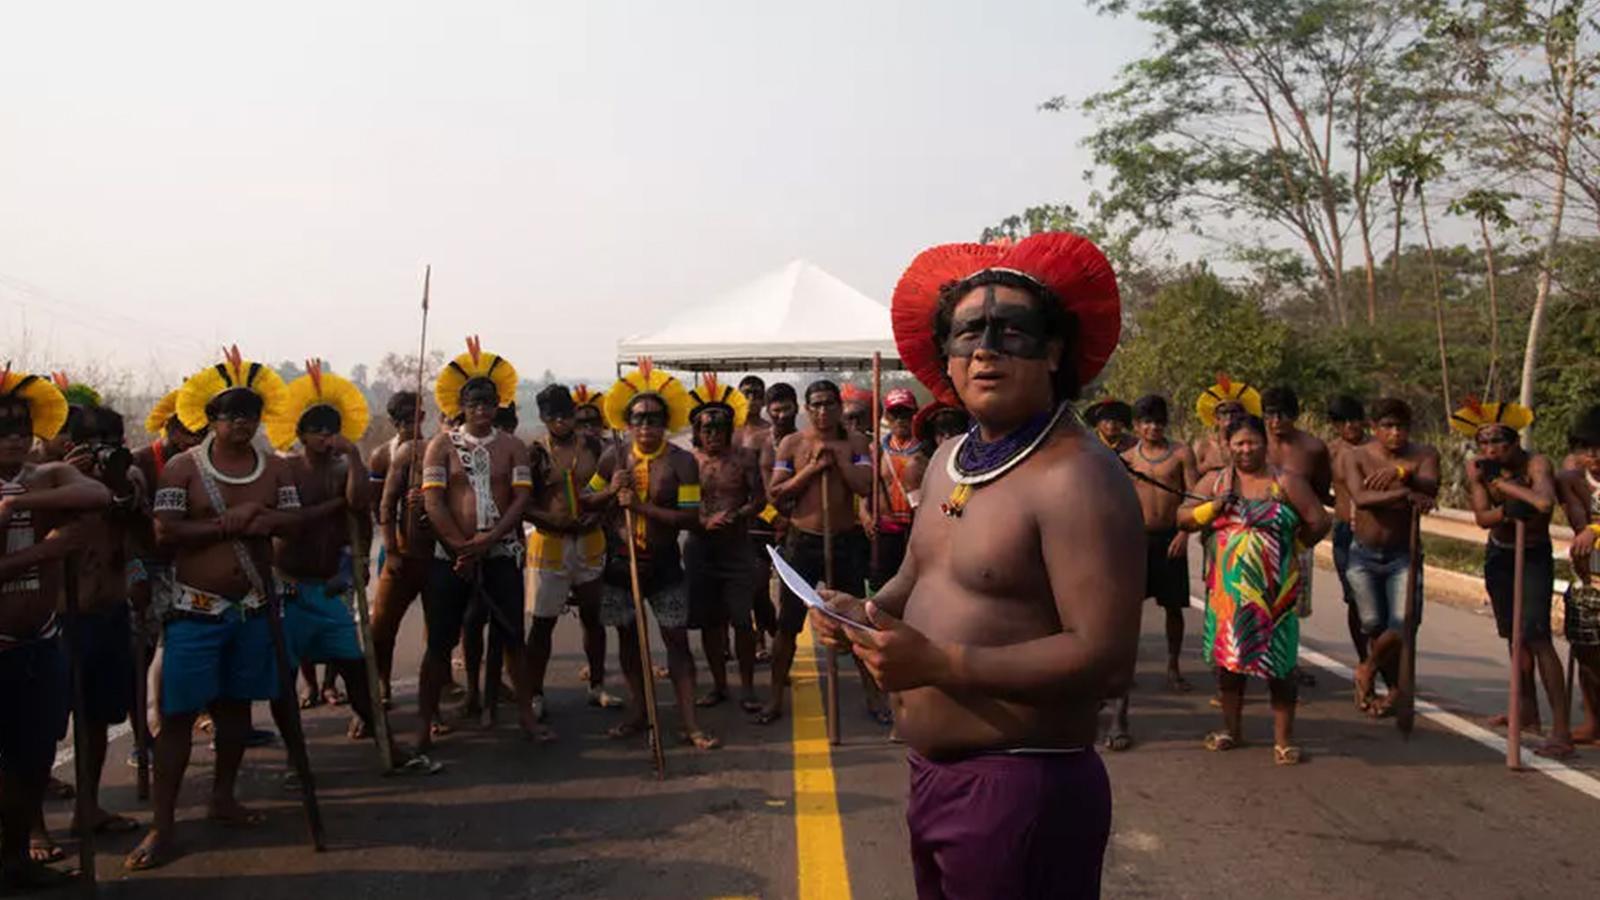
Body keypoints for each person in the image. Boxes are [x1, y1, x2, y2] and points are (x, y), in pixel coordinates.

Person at [810, 233, 1140, 899]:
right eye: (968, 333)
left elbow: (1105, 660)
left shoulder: (1076, 475)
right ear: (948, 360)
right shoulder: (948, 457)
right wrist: (863, 615)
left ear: (1053, 352)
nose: (986, 347)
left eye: (1012, 330)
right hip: (934, 777)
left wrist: (939, 665)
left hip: (1023, 788)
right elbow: (918, 579)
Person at [126, 348, 304, 871]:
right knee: (178, 716)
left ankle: (222, 797)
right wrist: (233, 523)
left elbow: (292, 523)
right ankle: (163, 824)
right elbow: (165, 532)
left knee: (235, 713)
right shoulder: (184, 467)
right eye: (232, 414)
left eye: (251, 413)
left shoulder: (276, 468)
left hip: (252, 607)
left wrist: (260, 517)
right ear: (211, 419)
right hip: (196, 611)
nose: (243, 422)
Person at [265, 363, 428, 769]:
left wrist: (353, 455)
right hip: (289, 587)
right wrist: (329, 507)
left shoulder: (343, 466)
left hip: (329, 588)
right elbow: (289, 523)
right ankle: (295, 757)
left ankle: (385, 742)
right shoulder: (283, 469)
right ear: (300, 433)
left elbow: (358, 503)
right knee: (281, 678)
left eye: (330, 430)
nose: (324, 438)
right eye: (317, 431)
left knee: (356, 668)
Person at [1, 370, 110, 891]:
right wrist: (52, 547)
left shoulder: (43, 478)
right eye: (3, 431)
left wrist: (21, 505)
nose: (15, 438)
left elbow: (95, 497)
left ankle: (16, 857)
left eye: (22, 429)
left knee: (36, 754)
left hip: (39, 642)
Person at [1180, 414, 1329, 765]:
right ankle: (1231, 729)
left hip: (1276, 592)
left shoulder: (1286, 482)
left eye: (1252, 442)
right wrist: (1212, 509)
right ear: (1228, 447)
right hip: (1228, 592)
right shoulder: (1215, 482)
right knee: (1230, 665)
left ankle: (1283, 740)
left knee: (1280, 666)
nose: (1246, 449)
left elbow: (1319, 520)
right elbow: (1181, 517)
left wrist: (1294, 548)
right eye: (1239, 444)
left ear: (1265, 442)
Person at [416, 338, 540, 750]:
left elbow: (520, 498)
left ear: (498, 403)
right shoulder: (441, 445)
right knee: (439, 643)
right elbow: (433, 500)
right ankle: (424, 725)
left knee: (513, 638)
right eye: (473, 402)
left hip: (502, 552)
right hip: (450, 558)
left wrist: (491, 538)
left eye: (488, 401)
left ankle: (526, 717)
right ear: (461, 405)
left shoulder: (513, 446)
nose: (481, 409)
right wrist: (460, 546)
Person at [591, 362, 720, 749]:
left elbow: (692, 519)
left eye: (654, 418)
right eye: (638, 418)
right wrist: (610, 491)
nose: (646, 425)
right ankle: (639, 710)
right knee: (628, 640)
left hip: (664, 564)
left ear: (666, 422)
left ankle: (690, 722)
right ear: (627, 422)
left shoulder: (682, 463)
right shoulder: (612, 458)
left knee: (676, 641)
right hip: (620, 562)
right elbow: (585, 503)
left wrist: (642, 508)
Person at [1458, 400, 1573, 757]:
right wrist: (1506, 503)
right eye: (1485, 443)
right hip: (1501, 555)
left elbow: (1542, 505)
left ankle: (1562, 731)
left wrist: (1502, 487)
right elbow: (1482, 517)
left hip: (1534, 555)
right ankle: (1526, 713)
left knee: (1537, 637)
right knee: (1514, 637)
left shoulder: (1536, 464)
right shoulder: (1477, 468)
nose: (1491, 450)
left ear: (1516, 442)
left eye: (1499, 442)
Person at [758, 379, 875, 727]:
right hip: (802, 542)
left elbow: (865, 485)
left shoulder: (856, 442)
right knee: (787, 625)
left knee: (856, 621)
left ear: (839, 406)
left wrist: (839, 462)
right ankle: (775, 697)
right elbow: (776, 493)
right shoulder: (794, 444)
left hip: (844, 541)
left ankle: (874, 694)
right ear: (807, 410)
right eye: (816, 405)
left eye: (829, 404)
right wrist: (812, 469)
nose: (823, 411)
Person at [52, 401, 145, 840]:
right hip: (56, 619)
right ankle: (33, 829)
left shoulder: (129, 479)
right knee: (41, 727)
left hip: (109, 611)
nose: (105, 452)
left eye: (113, 443)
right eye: (94, 445)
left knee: (97, 720)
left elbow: (148, 539)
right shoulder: (45, 479)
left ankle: (87, 808)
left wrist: (118, 491)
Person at [522, 384, 621, 725]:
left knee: (594, 617)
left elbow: (611, 490)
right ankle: (534, 693)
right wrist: (550, 519)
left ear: (575, 413)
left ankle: (597, 686)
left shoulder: (595, 446)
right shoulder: (534, 452)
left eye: (565, 415)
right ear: (543, 418)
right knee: (542, 624)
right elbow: (522, 504)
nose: (560, 422)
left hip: (590, 540)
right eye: (552, 417)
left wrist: (600, 514)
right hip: (549, 543)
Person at [1344, 399, 1439, 718]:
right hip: (1364, 554)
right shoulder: (1356, 456)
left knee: (1403, 624)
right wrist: (1404, 492)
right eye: (1388, 426)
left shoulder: (1424, 454)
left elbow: (1430, 484)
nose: (1395, 433)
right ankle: (1394, 688)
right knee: (1373, 625)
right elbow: (1363, 498)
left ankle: (1368, 669)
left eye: (1401, 427)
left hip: (1403, 554)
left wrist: (1400, 472)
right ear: (1375, 429)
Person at [684, 376, 767, 712]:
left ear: (730, 428)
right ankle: (719, 685)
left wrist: (737, 514)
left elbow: (759, 499)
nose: (713, 434)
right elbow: (682, 505)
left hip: (737, 548)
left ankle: (747, 687)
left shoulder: (745, 459)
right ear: (697, 431)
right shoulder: (689, 462)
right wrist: (704, 522)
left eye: (720, 428)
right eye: (707, 428)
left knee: (742, 619)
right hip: (700, 548)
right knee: (709, 621)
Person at [1122, 394, 1200, 692]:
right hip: (1138, 540)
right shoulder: (1128, 459)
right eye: (1146, 422)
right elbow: (1120, 503)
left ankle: (1173, 666)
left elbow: (1192, 496)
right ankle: (1126, 669)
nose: (1153, 428)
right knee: (1130, 610)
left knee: (1173, 607)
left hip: (1171, 537)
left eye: (1157, 422)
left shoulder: (1181, 454)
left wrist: (1184, 533)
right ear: (1137, 426)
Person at [370, 391, 433, 707]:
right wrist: (392, 547)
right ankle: (382, 683)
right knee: (382, 625)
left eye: (416, 417)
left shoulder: (437, 448)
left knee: (439, 624)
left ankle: (438, 685)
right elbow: (380, 504)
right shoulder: (382, 455)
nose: (411, 424)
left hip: (434, 552)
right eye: (403, 420)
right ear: (394, 422)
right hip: (397, 549)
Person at [1262, 386, 1332, 626]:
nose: (1276, 421)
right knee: (1254, 595)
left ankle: (1287, 655)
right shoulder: (1255, 443)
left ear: (1295, 415)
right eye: (1270, 415)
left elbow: (1321, 491)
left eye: (1283, 415)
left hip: (1297, 532)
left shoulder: (1313, 448)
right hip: (1257, 530)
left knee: (1292, 600)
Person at [1556, 405, 1600, 743]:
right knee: (1586, 652)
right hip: (1589, 580)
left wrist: (1596, 529)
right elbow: (1576, 522)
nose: (1594, 456)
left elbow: (1588, 528)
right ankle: (1593, 719)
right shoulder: (1571, 481)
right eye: (1587, 449)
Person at [751, 383, 800, 646]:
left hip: (795, 523)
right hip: (761, 522)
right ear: (768, 411)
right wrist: (773, 517)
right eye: (776, 410)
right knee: (757, 587)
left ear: (797, 408)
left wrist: (790, 521)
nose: (782, 415)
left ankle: (782, 643)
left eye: (787, 409)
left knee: (789, 591)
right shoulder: (757, 442)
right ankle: (765, 633)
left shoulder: (804, 441)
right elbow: (751, 488)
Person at [1326, 394, 1371, 662]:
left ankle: (1379, 660)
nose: (1350, 426)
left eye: (1355, 419)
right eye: (1343, 421)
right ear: (1334, 425)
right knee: (1355, 599)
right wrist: (1341, 505)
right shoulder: (1330, 451)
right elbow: (1318, 488)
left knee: (1376, 604)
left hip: (1374, 531)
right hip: (1344, 530)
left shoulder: (1378, 449)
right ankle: (1363, 660)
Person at [874, 388, 927, 592]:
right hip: (886, 529)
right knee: (884, 584)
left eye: (905, 414)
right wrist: (867, 515)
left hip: (916, 529)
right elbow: (869, 488)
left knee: (915, 583)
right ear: (886, 416)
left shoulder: (926, 451)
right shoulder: (877, 450)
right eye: (895, 414)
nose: (900, 420)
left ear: (915, 414)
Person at [1192, 376, 1260, 478]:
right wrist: (1209, 466)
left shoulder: (1251, 444)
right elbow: (1192, 478)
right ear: (1216, 417)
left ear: (1243, 414)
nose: (1229, 417)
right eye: (1224, 412)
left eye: (1234, 412)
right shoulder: (1203, 445)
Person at [736, 375, 771, 453]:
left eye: (756, 394)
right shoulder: (727, 430)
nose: (751, 398)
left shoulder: (770, 432)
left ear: (764, 400)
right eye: (746, 394)